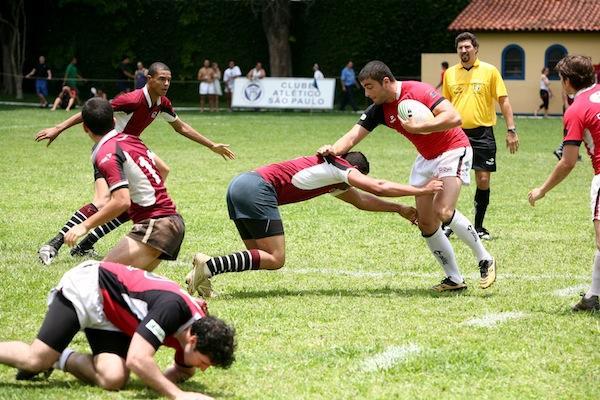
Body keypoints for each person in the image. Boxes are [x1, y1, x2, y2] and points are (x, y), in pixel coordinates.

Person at [317, 60, 496, 292]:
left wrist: (421, 128)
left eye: (369, 86)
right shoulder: (379, 109)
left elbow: (454, 118)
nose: (366, 93)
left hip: (453, 149)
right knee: (426, 222)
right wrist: (331, 149)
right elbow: (352, 137)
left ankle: (485, 259)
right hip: (426, 158)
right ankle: (454, 279)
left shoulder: (418, 90)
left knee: (443, 211)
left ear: (385, 82)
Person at [35, 62, 235, 266]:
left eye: (169, 80)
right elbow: (95, 110)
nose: (166, 83)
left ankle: (87, 243)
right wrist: (58, 128)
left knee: (159, 175)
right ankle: (54, 243)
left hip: (133, 148)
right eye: (161, 79)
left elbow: (181, 127)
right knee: (104, 200)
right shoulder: (132, 99)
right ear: (149, 79)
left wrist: (211, 145)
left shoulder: (162, 103)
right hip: (111, 149)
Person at [187, 151, 443, 298]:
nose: (353, 182)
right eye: (355, 177)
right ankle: (209, 266)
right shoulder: (337, 168)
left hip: (240, 185)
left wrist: (399, 208)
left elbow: (361, 200)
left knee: (262, 256)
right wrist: (420, 189)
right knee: (275, 258)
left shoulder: (329, 175)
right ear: (353, 168)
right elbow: (377, 187)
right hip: (258, 189)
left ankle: (205, 268)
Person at [0, 259, 236, 398]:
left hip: (114, 316)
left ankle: (59, 358)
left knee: (113, 379)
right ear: (193, 341)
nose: (203, 369)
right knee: (34, 360)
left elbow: (182, 370)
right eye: (205, 362)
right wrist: (177, 395)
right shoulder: (173, 310)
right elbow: (137, 359)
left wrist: (164, 380)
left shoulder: (196, 329)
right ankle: (46, 359)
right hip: (89, 287)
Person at [63, 97, 184, 271]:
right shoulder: (131, 139)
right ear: (113, 121)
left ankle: (184, 299)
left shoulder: (106, 152)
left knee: (102, 277)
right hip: (172, 222)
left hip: (155, 226)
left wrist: (84, 225)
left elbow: (121, 201)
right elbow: (163, 169)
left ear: (85, 128)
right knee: (129, 287)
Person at [528, 55, 600, 312]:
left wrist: (542, 190)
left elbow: (568, 162)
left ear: (568, 81)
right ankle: (593, 296)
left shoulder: (576, 110)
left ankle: (593, 297)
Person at [442, 32, 519, 240]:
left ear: (476, 49)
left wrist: (511, 129)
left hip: (483, 133)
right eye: (460, 48)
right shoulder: (450, 74)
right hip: (455, 133)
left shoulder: (489, 71)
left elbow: (503, 100)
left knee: (483, 179)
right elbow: (444, 105)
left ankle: (478, 227)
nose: (464, 51)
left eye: (467, 47)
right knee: (451, 178)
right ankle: (447, 223)